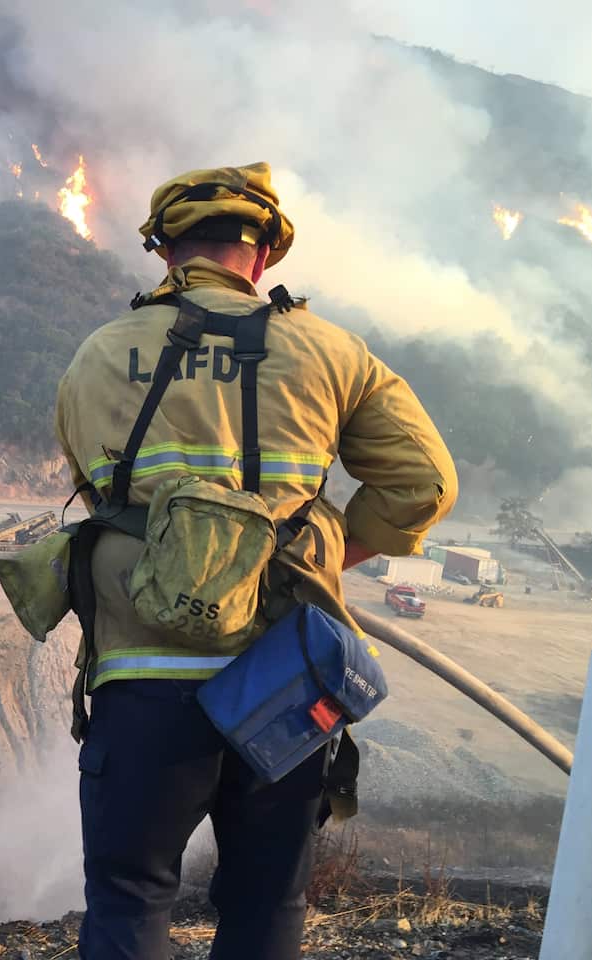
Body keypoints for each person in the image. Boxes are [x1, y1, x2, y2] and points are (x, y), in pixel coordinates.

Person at [54, 163, 457, 959]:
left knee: (131, 899)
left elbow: (96, 496)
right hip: (284, 682)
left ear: (163, 249)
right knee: (268, 899)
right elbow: (424, 483)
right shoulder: (330, 351)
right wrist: (331, 550)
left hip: (142, 682)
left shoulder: (97, 356)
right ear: (266, 254)